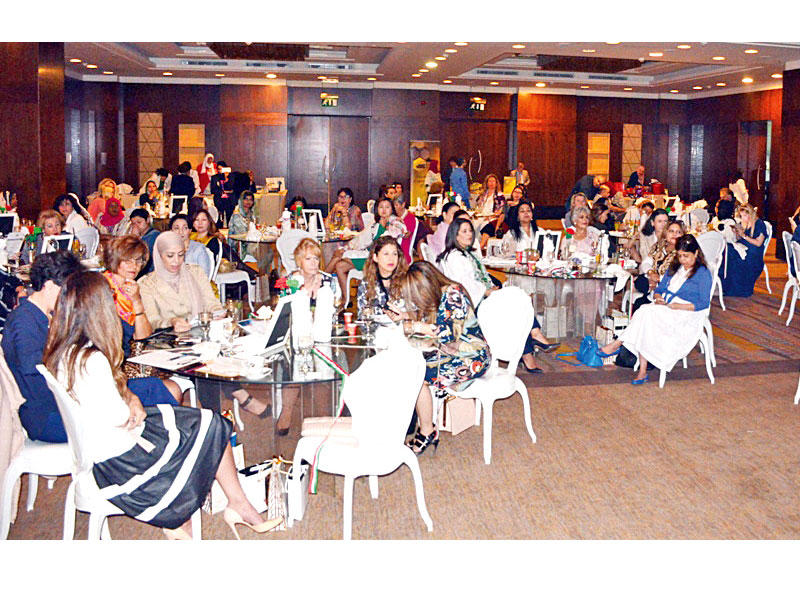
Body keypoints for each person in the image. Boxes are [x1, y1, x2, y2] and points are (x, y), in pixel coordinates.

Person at [42, 270, 282, 539]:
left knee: (206, 422)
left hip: (105, 448)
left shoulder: (66, 352)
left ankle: (236, 505)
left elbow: (109, 401)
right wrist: (133, 407)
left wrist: (131, 399)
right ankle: (200, 514)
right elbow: (121, 417)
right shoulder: (93, 361)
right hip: (123, 461)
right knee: (211, 427)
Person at [394, 262, 491, 455]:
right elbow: (434, 320)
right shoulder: (440, 293)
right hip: (453, 353)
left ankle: (427, 431)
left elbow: (448, 334)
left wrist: (414, 326)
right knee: (409, 368)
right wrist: (406, 316)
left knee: (417, 376)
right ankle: (419, 425)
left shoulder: (454, 293)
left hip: (473, 357)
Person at [439, 216, 553, 372]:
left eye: (470, 231)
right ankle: (532, 342)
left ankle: (532, 340)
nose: (469, 234)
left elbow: (479, 277)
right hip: (471, 303)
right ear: (455, 235)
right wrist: (487, 291)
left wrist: (491, 288)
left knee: (518, 297)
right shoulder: (454, 257)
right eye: (464, 231)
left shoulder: (466, 253)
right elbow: (464, 285)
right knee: (516, 300)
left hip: (480, 296)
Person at [598, 235, 713, 385]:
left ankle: (620, 346)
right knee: (645, 316)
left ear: (696, 253)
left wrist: (677, 306)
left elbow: (703, 303)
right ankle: (640, 368)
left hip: (688, 313)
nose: (682, 260)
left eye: (686, 256)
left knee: (645, 313)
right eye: (680, 256)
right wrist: (658, 298)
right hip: (668, 307)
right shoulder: (675, 267)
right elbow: (660, 289)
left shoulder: (702, 273)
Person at [1, 251, 84, 442]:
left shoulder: (43, 315)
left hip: (57, 405)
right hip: (45, 416)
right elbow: (32, 367)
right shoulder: (24, 320)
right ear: (49, 285)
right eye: (67, 290)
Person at [101, 236, 182, 405]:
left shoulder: (131, 288)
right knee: (171, 386)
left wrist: (137, 301)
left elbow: (143, 335)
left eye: (138, 261)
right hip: (111, 365)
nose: (134, 266)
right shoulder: (103, 288)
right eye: (128, 261)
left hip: (128, 355)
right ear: (115, 259)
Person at [138, 231, 221, 332]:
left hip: (202, 334)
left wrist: (218, 312)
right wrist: (171, 322)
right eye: (170, 256)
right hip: (169, 338)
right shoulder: (147, 284)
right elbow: (152, 321)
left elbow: (211, 302)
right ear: (159, 256)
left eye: (181, 255)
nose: (176, 261)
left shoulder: (196, 272)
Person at [326, 197, 408, 296]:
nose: (384, 210)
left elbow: (403, 231)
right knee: (339, 264)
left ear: (392, 209)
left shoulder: (394, 223)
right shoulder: (375, 224)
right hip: (368, 256)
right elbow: (362, 239)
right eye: (381, 207)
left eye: (387, 207)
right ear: (377, 209)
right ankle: (345, 299)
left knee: (339, 257)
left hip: (378, 260)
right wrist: (346, 248)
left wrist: (401, 228)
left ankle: (322, 278)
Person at [631, 219, 686, 312]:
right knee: (639, 297)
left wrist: (657, 280)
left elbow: (678, 276)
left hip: (668, 290)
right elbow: (645, 263)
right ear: (666, 233)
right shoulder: (659, 246)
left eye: (678, 232)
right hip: (652, 284)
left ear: (683, 235)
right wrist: (651, 273)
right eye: (671, 231)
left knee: (641, 303)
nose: (674, 234)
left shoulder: (683, 253)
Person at [719, 203, 767, 297]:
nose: (743, 218)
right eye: (741, 216)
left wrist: (743, 235)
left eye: (745, 215)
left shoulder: (759, 224)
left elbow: (758, 243)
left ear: (751, 214)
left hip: (753, 253)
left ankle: (735, 288)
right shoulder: (744, 223)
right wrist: (737, 233)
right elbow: (739, 239)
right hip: (743, 248)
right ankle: (725, 284)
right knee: (726, 249)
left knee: (730, 254)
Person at [356, 236, 408, 318]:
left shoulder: (407, 281)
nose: (391, 259)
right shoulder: (366, 283)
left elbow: (421, 313)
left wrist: (405, 315)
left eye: (394, 254)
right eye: (386, 254)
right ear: (375, 257)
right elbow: (362, 316)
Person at [170, 213, 213, 278]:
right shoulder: (167, 250)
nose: (180, 232)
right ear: (171, 231)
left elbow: (204, 277)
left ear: (190, 230)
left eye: (185, 228)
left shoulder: (198, 250)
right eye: (176, 228)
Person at [125, 208, 160, 276]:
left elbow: (141, 256)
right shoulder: (142, 236)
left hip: (149, 273)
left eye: (139, 222)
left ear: (147, 220)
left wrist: (134, 238)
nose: (136, 226)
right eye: (133, 224)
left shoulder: (153, 235)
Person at [393, 193, 419, 264]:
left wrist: (398, 231)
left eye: (396, 205)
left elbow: (407, 235)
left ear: (403, 205)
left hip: (402, 251)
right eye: (393, 205)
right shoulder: (394, 216)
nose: (394, 207)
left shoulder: (410, 218)